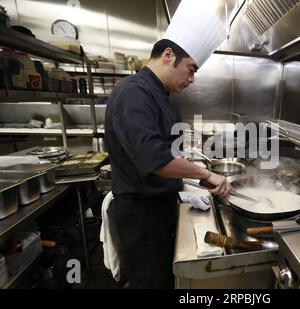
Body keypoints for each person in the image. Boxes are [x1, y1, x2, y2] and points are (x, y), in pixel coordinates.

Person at [104, 1, 229, 288]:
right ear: (169, 55)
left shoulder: (161, 95)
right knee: (151, 282)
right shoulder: (134, 93)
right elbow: (155, 159)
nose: (192, 79)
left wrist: (185, 183)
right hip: (142, 219)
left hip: (159, 210)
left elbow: (170, 153)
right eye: (191, 68)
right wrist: (205, 175)